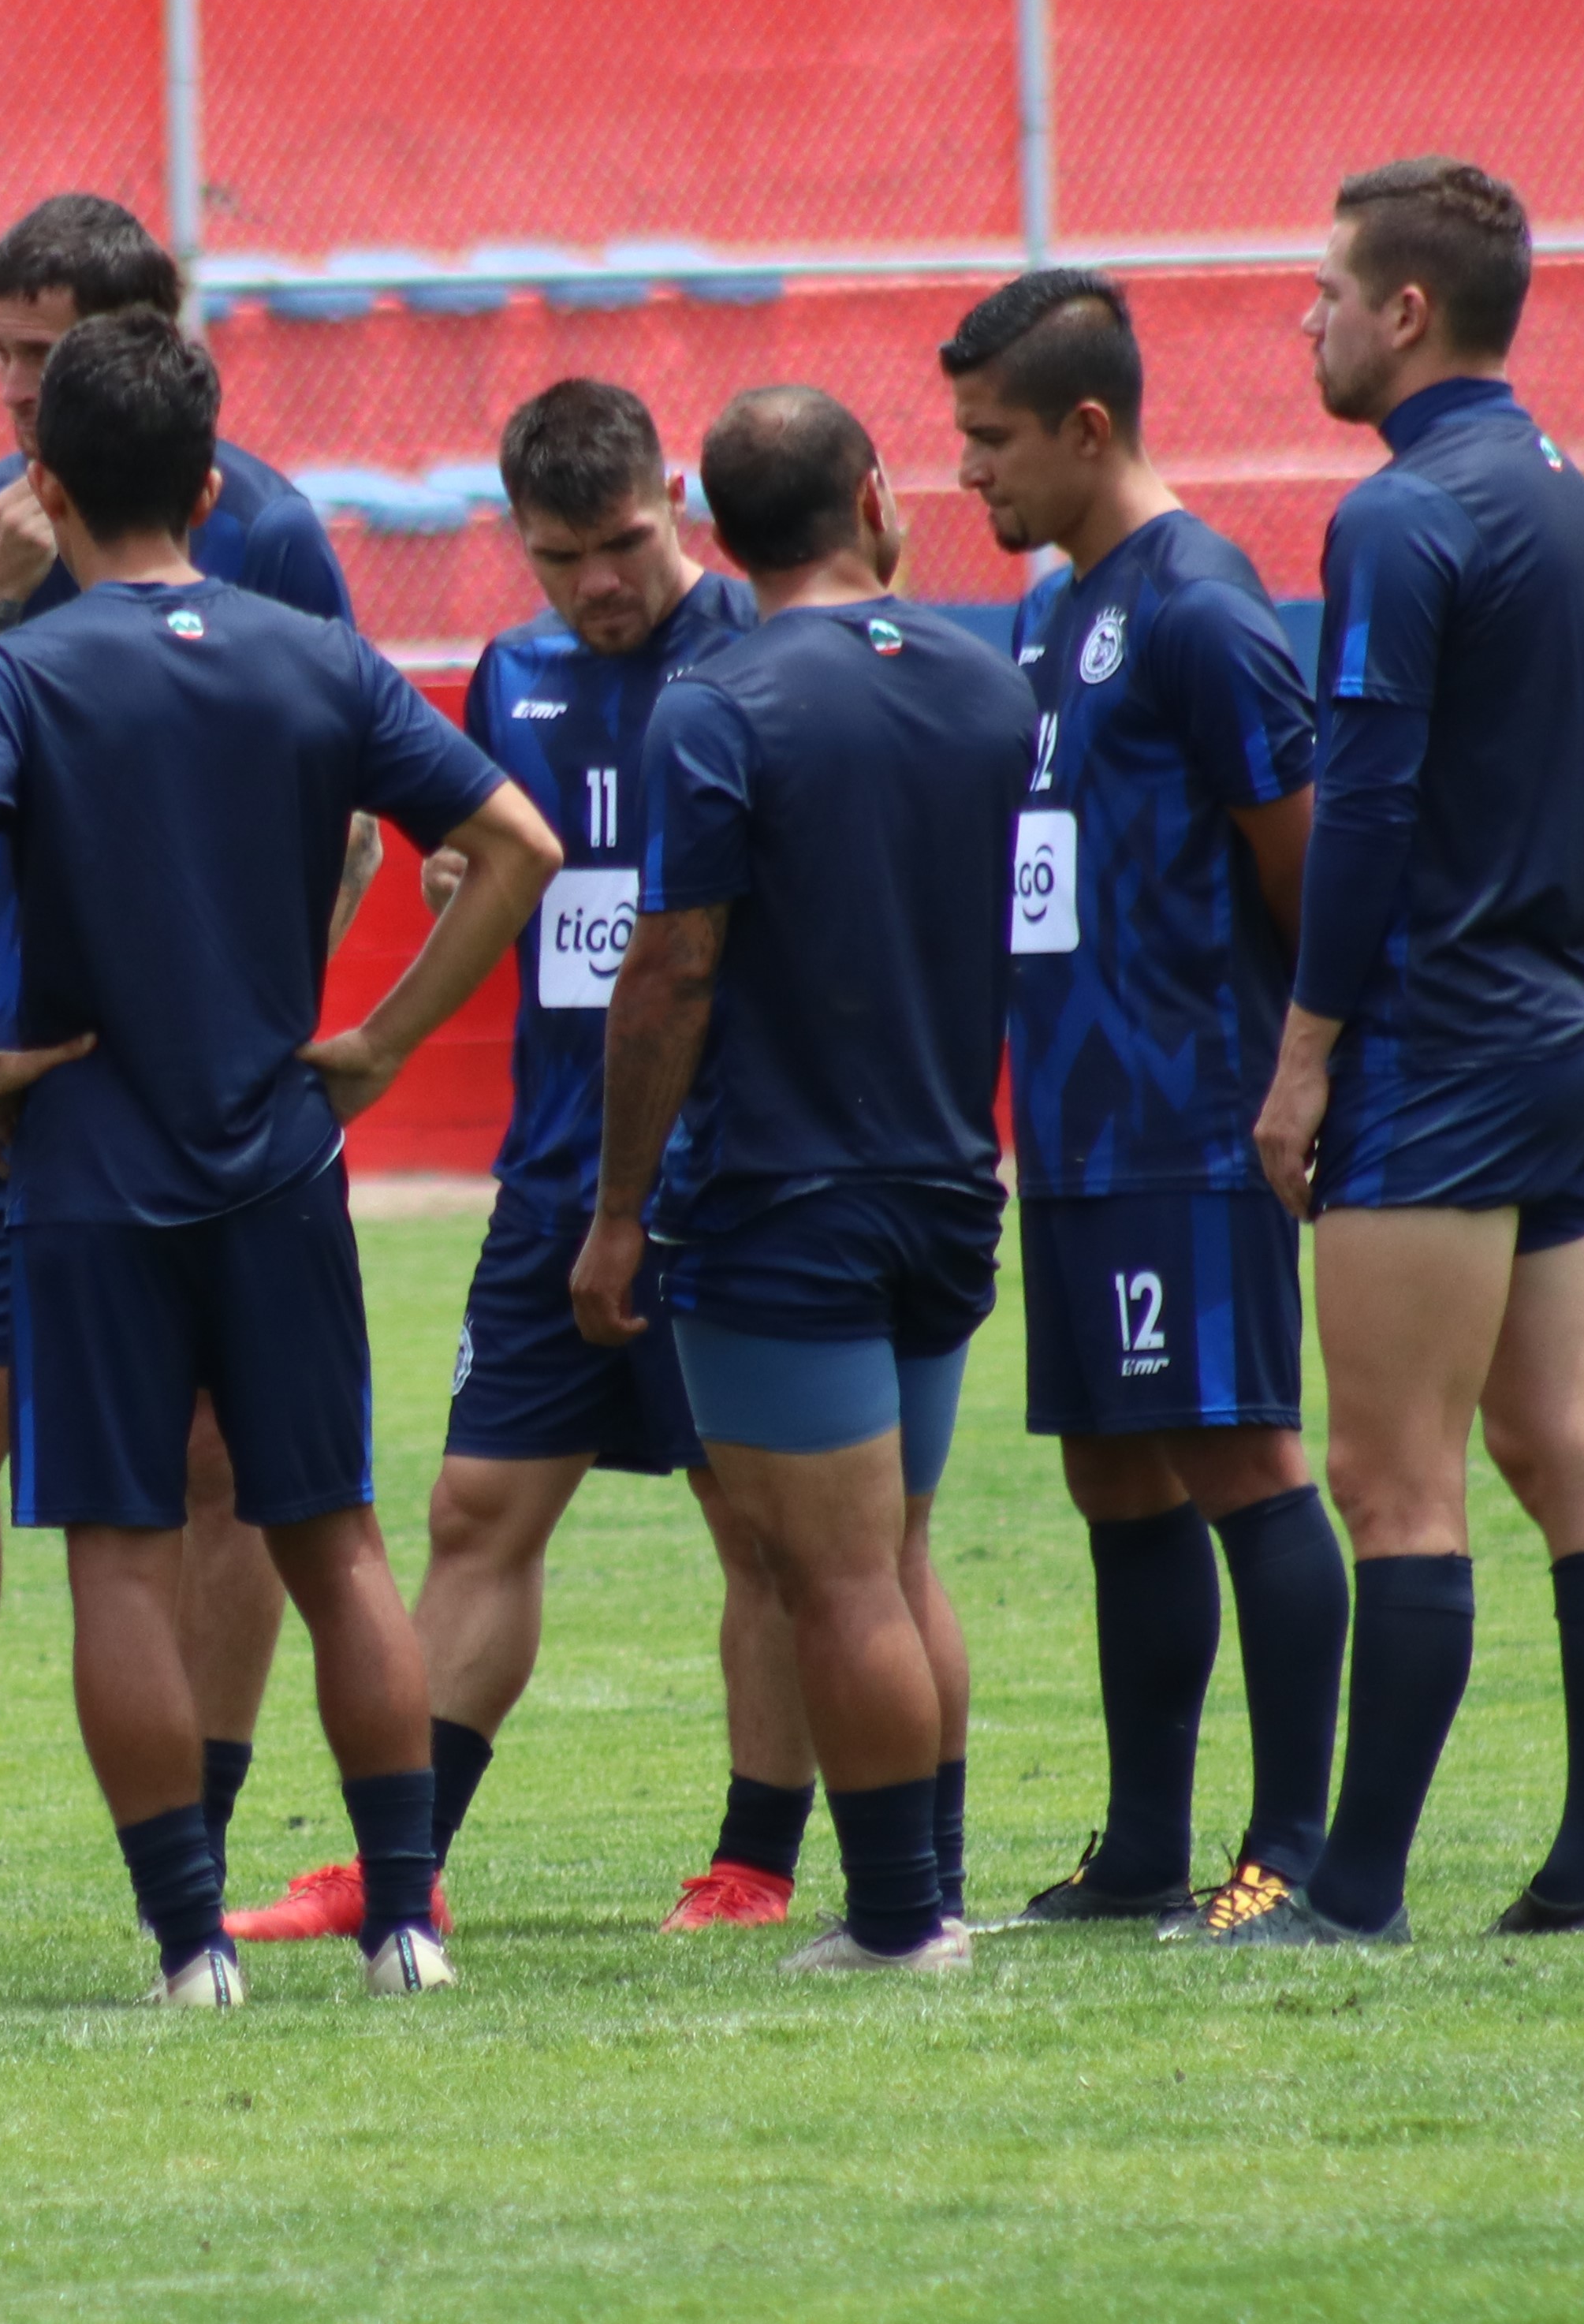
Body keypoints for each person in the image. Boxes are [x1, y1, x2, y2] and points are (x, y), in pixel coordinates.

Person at [0, 309, 557, 2007]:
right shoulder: (307, 653)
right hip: (276, 1153)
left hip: (90, 1161)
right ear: (206, 476)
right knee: (333, 1537)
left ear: (46, 482)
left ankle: (185, 1944)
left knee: (113, 1546)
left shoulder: (25, 673)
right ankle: (404, 1915)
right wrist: (383, 1042)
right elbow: (511, 839)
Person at [0, 190, 374, 1953]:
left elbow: (351, 809)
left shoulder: (260, 528)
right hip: (28, 1060)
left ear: (145, 351)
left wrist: (261, 1003)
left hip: (208, 1077)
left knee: (218, 1461)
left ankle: (185, 1842)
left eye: (41, 366)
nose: (10, 400)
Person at [255, 380, 820, 1945]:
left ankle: (753, 1864)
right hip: (554, 1170)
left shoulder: (766, 662)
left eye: (626, 541)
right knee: (473, 1509)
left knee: (760, 1527)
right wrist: (456, 872)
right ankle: (398, 1859)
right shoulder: (512, 673)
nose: (601, 582)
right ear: (517, 541)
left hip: (729, 1181)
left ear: (677, 501)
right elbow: (499, 871)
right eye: (564, 554)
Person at [1239, 159, 1584, 1949]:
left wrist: (1306, 1047)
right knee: (1571, 1443)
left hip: (1446, 1029)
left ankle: (1359, 1886)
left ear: (1404, 310)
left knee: (1386, 1473)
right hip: (1572, 1015)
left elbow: (1369, 805)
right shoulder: (1566, 493)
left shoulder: (1398, 517)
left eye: (1325, 291)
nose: (1308, 321)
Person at [568, 386, 1033, 1977]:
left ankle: (902, 1920)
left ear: (713, 525)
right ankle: (935, 1884)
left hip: (781, 1190)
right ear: (875, 496)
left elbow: (674, 971)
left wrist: (619, 1206)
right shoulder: (989, 684)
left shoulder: (713, 704)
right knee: (898, 1552)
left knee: (827, 1572)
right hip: (950, 1175)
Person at [941, 271, 1354, 1938]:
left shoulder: (1196, 602)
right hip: (1076, 1117)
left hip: (1190, 1109)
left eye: (991, 439)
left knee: (1238, 1450)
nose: (966, 473)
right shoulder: (1053, 605)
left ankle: (1293, 1845)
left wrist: (1292, 1071)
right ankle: (1140, 1848)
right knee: (1112, 1472)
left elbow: (1305, 865)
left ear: (1087, 426)